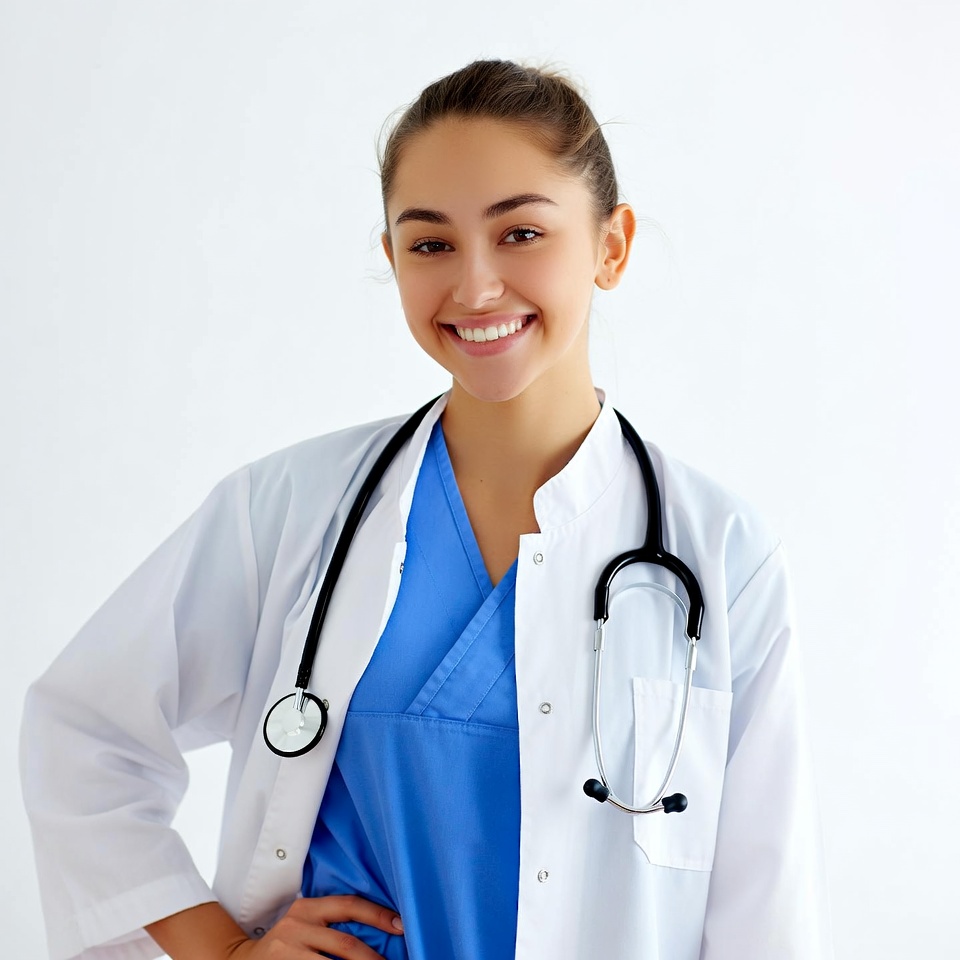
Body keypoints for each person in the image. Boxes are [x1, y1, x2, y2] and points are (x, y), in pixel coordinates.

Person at [21, 59, 832, 960]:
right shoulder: (289, 510)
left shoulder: (720, 554)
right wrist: (220, 949)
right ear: (393, 259)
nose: (476, 287)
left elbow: (767, 905)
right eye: (432, 244)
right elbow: (83, 731)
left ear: (612, 244)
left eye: (521, 232)